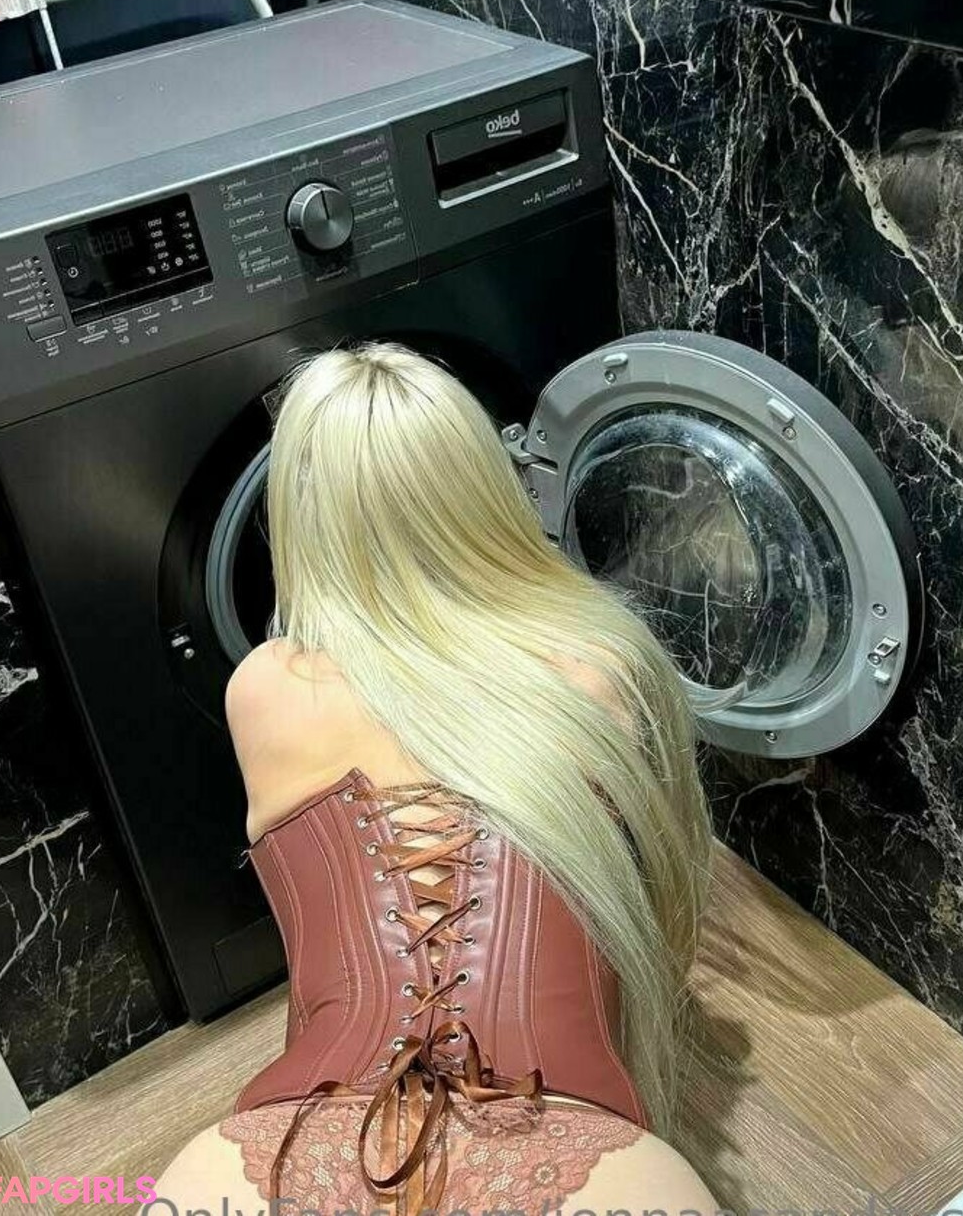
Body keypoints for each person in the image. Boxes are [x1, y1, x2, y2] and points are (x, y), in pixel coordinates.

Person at [148, 341, 715, 1216]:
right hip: (567, 1126)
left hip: (295, 1132)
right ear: (484, 483)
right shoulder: (604, 666)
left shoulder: (264, 688)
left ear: (297, 511)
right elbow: (651, 916)